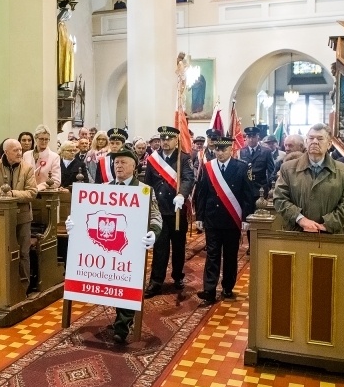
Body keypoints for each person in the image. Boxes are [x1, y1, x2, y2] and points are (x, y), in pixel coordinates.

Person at [65, 146, 161, 344]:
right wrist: (73, 222)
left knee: (127, 283)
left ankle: (122, 325)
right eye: (116, 162)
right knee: (112, 283)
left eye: (123, 162)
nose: (118, 165)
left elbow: (155, 216)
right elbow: (88, 212)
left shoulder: (143, 190)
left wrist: (153, 232)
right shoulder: (105, 188)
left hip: (130, 247)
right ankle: (120, 320)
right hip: (106, 247)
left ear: (134, 166)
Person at [194, 131, 257, 303]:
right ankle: (209, 289)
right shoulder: (208, 168)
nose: (219, 152)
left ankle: (228, 287)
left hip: (232, 219)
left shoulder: (242, 167)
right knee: (212, 255)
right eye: (217, 149)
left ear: (231, 149)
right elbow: (202, 193)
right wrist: (199, 216)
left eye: (223, 149)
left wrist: (246, 218)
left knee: (230, 255)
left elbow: (248, 196)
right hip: (212, 218)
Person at [273, 123, 344, 234]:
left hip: (331, 235)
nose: (314, 142)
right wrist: (300, 219)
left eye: (320, 139)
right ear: (306, 142)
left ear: (329, 144)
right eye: (311, 138)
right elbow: (280, 198)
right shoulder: (288, 168)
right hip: (296, 232)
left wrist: (326, 225)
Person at [144, 125, 195, 297]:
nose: (165, 142)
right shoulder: (153, 159)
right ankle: (156, 281)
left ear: (176, 140)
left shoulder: (184, 158)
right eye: (163, 139)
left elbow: (189, 178)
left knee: (178, 246)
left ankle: (177, 276)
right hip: (159, 209)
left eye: (169, 139)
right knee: (160, 247)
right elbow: (148, 183)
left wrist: (181, 194)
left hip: (176, 209)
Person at [0, 139, 38, 293]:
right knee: (1, 252)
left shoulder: (27, 168)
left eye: (20, 149)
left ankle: (23, 287)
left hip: (23, 218)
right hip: (1, 218)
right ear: (6, 152)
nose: (20, 153)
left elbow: (32, 193)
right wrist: (4, 193)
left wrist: (11, 194)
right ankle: (2, 287)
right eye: (15, 150)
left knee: (23, 253)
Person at [22, 124, 61, 190]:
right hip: (27, 192)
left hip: (45, 194)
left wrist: (39, 187)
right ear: (35, 138)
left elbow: (56, 181)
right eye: (41, 139)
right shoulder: (26, 155)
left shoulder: (54, 157)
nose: (44, 141)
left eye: (46, 139)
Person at [239, 126, 275, 193]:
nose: (251, 140)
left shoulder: (266, 152)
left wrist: (271, 188)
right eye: (249, 137)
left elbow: (271, 172)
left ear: (258, 137)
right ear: (246, 138)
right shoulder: (242, 152)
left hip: (261, 187)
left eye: (253, 137)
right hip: (246, 187)